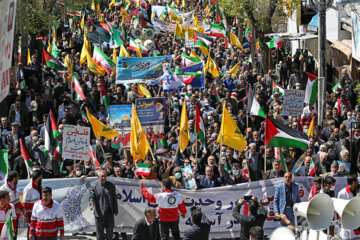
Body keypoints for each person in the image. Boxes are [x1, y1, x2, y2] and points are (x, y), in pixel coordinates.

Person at [89, 170, 118, 240]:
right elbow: (91, 197)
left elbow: (114, 199)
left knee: (109, 233)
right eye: (102, 176)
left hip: (109, 213)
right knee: (100, 234)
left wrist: (116, 210)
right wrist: (91, 204)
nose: (104, 178)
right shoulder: (94, 186)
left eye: (105, 176)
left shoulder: (111, 186)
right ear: (98, 177)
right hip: (99, 213)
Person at [0, 171, 23, 238]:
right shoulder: (3, 189)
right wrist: (14, 210)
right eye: (17, 178)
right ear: (13, 179)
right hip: (4, 218)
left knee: (13, 236)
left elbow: (19, 202)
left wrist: (21, 209)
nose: (18, 180)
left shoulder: (17, 189)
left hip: (15, 217)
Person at [337, 174, 359, 239]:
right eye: (357, 181)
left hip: (357, 223)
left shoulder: (358, 191)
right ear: (353, 182)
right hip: (346, 225)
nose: (358, 183)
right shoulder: (342, 193)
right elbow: (338, 210)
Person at [23, 170, 42, 238]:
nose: (41, 179)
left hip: (39, 213)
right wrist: (26, 215)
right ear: (38, 177)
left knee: (38, 231)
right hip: (31, 214)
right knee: (31, 231)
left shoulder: (39, 186)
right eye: (41, 177)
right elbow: (25, 204)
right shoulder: (28, 189)